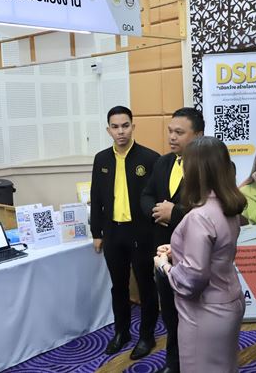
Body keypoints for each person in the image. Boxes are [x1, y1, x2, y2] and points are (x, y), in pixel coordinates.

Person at [154, 136, 246, 372]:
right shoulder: (228, 205)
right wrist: (178, 250)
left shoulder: (200, 216)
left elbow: (192, 280)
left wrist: (164, 265)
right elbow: (218, 249)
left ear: (195, 171)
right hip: (229, 300)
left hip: (205, 311)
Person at [90, 106, 160, 359]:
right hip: (113, 233)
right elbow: (96, 196)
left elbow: (158, 198)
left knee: (146, 286)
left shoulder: (150, 158)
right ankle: (122, 333)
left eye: (125, 126)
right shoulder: (101, 159)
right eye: (115, 127)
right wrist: (96, 232)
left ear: (133, 127)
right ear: (108, 130)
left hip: (141, 233)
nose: (121, 131)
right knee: (118, 287)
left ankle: (147, 335)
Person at [141, 107, 204, 373]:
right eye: (170, 131)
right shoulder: (163, 162)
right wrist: (157, 212)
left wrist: (174, 213)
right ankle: (174, 362)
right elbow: (147, 195)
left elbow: (212, 211)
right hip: (164, 252)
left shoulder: (212, 167)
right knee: (169, 310)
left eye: (179, 132)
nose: (172, 137)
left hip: (195, 254)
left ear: (198, 135)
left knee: (195, 313)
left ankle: (196, 363)